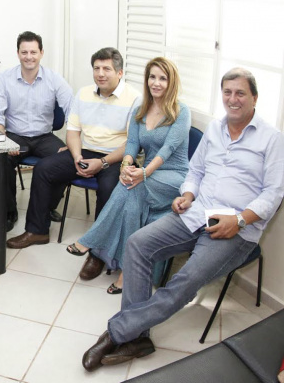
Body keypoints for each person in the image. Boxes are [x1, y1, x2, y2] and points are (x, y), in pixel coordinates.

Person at [82, 68, 284, 372]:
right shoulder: (216, 129)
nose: (233, 99)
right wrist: (187, 195)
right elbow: (196, 171)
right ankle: (138, 337)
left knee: (184, 282)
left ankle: (119, 332)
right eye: (227, 92)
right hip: (197, 212)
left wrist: (240, 220)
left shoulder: (272, 139)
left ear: (254, 97)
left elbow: (274, 193)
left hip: (236, 230)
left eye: (240, 93)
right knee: (138, 244)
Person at [69, 57, 190, 294]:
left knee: (132, 186)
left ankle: (90, 240)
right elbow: (133, 144)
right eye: (152, 77)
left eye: (162, 78)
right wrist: (126, 165)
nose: (156, 83)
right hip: (148, 174)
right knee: (129, 190)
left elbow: (168, 151)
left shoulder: (180, 111)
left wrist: (143, 172)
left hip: (174, 175)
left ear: (171, 82)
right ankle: (127, 273)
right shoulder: (140, 110)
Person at [7, 47, 140, 255]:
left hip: (116, 157)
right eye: (97, 68)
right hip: (84, 151)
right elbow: (73, 131)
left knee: (109, 186)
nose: (101, 74)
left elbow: (133, 142)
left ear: (120, 73)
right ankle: (37, 231)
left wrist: (103, 162)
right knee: (43, 169)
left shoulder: (135, 98)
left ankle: (98, 247)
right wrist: (77, 156)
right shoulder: (84, 93)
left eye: (107, 69)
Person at [0, 31, 74, 232]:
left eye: (33, 52)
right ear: (18, 53)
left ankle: (46, 207)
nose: (29, 57)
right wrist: (4, 141)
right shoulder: (4, 79)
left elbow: (73, 112)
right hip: (15, 135)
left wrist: (72, 143)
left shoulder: (55, 79)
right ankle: (9, 211)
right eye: (24, 52)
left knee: (68, 158)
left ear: (41, 53)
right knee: (1, 159)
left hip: (44, 136)